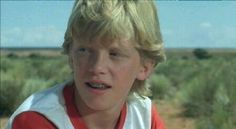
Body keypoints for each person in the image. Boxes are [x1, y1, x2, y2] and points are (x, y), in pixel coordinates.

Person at [6, 0, 166, 129]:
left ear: (145, 67)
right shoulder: (36, 119)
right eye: (85, 50)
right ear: (70, 55)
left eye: (114, 54)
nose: (97, 67)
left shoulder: (144, 115)